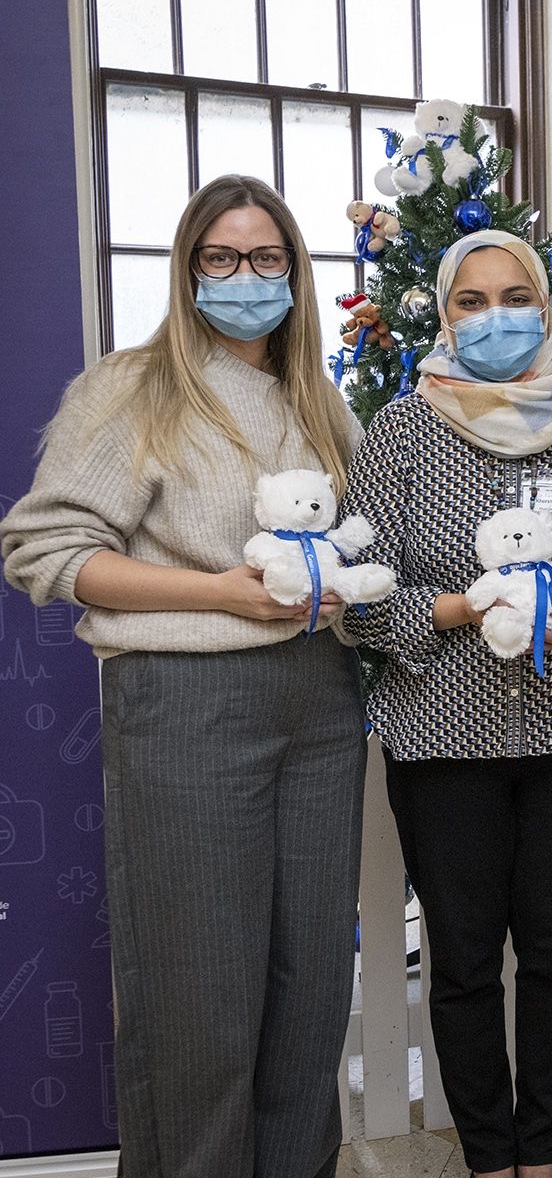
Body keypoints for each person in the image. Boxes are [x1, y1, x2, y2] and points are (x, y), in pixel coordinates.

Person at [0, 175, 364, 1178]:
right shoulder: (136, 386)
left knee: (309, 995)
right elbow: (44, 548)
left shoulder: (319, 401)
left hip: (323, 702)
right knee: (199, 995)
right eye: (222, 258)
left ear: (295, 271)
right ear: (188, 269)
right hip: (190, 706)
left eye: (267, 259)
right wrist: (218, 592)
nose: (246, 277)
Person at [339, 230, 552, 1178]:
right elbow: (359, 600)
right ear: (443, 316)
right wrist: (460, 607)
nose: (496, 318)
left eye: (515, 297)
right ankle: (488, 1156)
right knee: (467, 959)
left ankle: (542, 1151)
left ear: (548, 308)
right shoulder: (400, 432)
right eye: (471, 302)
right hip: (442, 736)